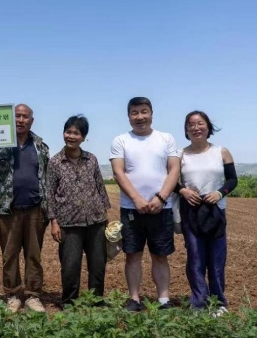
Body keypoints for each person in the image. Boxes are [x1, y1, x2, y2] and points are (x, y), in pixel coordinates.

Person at [109, 97, 180, 311]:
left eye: (144, 111)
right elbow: (118, 172)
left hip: (162, 208)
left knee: (160, 255)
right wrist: (137, 199)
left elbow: (174, 170)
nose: (139, 117)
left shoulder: (166, 138)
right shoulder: (121, 140)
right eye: (134, 112)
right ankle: (134, 299)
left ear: (151, 113)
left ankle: (164, 300)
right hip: (132, 208)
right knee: (133, 255)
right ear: (128, 116)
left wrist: (161, 198)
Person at [0, 103, 50, 313]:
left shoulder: (40, 146)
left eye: (24, 116)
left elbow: (47, 178)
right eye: (17, 116)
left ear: (32, 120)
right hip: (6, 210)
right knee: (9, 255)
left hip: (35, 209)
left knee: (33, 255)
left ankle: (32, 296)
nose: (20, 120)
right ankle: (12, 294)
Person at [177, 111, 237, 316]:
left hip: (215, 211)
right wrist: (182, 190)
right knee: (195, 258)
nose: (196, 128)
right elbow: (173, 182)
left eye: (200, 123)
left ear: (208, 127)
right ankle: (199, 303)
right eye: (191, 125)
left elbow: (232, 180)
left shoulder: (222, 152)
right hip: (190, 211)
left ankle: (218, 302)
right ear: (186, 130)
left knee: (217, 259)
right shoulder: (180, 155)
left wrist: (220, 193)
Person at [47, 115, 111, 308]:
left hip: (95, 220)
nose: (71, 136)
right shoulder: (56, 162)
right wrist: (53, 221)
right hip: (68, 223)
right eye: (68, 132)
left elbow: (100, 186)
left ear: (84, 137)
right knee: (70, 267)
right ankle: (69, 303)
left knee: (98, 265)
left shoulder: (91, 159)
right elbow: (49, 193)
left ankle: (96, 302)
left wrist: (106, 215)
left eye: (76, 133)